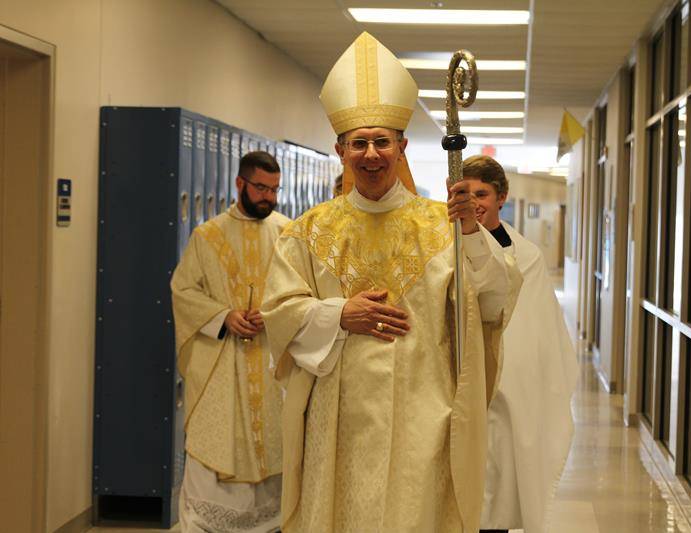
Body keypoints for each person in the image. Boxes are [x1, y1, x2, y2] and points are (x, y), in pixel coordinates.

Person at [262, 32, 521, 533]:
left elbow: (492, 304)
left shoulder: (443, 224)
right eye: (359, 143)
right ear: (340, 150)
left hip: (422, 420)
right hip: (337, 423)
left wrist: (470, 233)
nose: (371, 154)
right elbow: (280, 312)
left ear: (401, 146)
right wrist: (339, 314)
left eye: (382, 141)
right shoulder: (308, 232)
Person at [171, 151, 290, 532]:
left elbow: (304, 293)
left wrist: (273, 315)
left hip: (272, 364)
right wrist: (224, 316)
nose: (268, 197)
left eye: (274, 189)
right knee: (214, 451)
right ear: (240, 184)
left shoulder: (288, 234)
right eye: (260, 188)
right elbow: (183, 290)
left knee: (276, 452)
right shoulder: (207, 236)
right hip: (223, 365)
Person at [462, 155, 579, 533]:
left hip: (506, 389)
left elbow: (534, 327)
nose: (475, 201)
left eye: (483, 193)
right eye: (466, 193)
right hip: (455, 383)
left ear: (502, 197)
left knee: (498, 492)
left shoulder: (526, 256)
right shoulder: (442, 246)